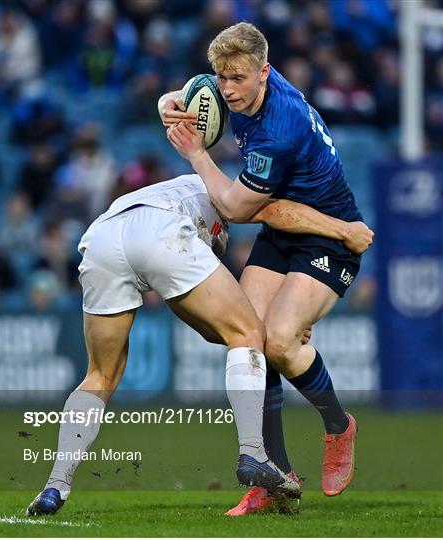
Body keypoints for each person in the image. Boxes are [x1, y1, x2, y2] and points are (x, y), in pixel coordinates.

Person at [26, 172, 372, 516]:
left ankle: (56, 485)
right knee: (247, 334)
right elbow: (269, 212)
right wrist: (343, 230)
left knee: (99, 377)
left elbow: (212, 329)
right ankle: (254, 452)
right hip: (161, 232)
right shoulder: (225, 193)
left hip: (102, 236)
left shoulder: (176, 188)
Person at [159, 22, 374, 515]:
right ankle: (274, 475)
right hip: (282, 232)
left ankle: (339, 426)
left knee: (278, 342)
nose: (227, 89)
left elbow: (235, 208)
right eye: (221, 78)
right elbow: (181, 95)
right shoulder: (230, 85)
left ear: (265, 72)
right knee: (246, 338)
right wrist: (167, 106)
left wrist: (196, 153)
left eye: (237, 79)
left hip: (329, 235)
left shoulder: (279, 128)